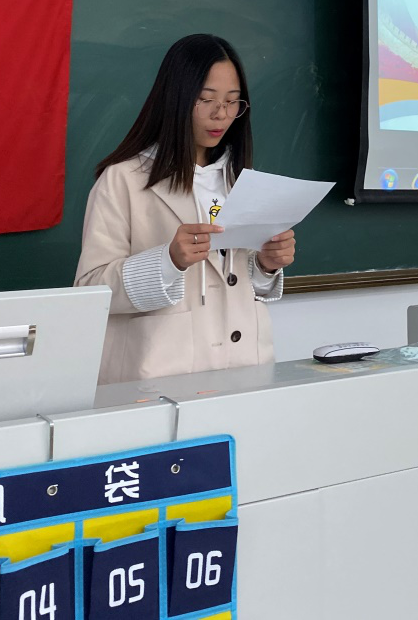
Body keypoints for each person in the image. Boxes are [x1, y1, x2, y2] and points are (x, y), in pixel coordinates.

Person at [75, 34, 296, 383]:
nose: (221, 114)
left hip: (246, 369)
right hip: (161, 375)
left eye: (233, 101)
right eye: (206, 99)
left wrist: (266, 266)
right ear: (176, 98)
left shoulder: (242, 180)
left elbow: (238, 282)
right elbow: (90, 290)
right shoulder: (123, 179)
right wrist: (168, 261)